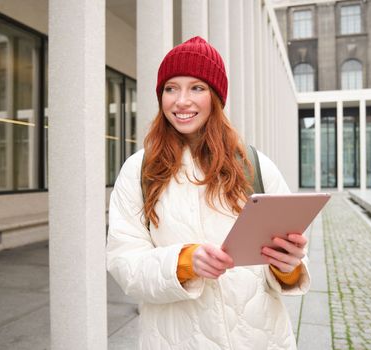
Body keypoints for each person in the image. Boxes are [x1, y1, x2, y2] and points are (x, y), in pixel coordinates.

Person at [106, 36, 310, 350]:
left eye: (197, 88)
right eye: (171, 88)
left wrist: (288, 264)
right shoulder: (139, 170)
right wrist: (185, 263)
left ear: (215, 97)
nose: (181, 101)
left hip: (259, 339)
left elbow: (288, 264)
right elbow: (124, 264)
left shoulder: (255, 164)